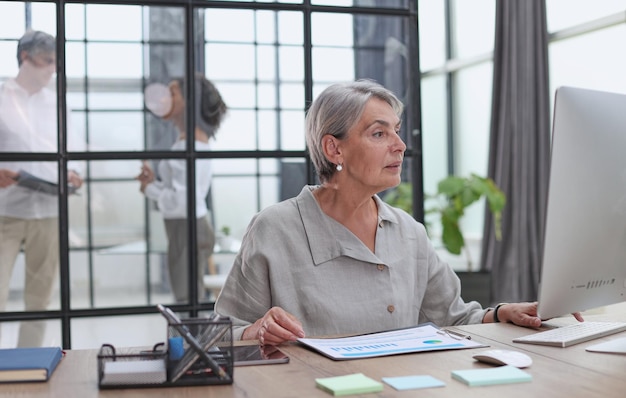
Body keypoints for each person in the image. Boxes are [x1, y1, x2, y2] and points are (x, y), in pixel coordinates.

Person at [215, 79, 584, 345]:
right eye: (379, 134)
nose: (401, 145)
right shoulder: (274, 228)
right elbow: (220, 335)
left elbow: (455, 318)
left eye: (397, 131)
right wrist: (256, 330)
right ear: (334, 149)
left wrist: (503, 312)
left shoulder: (409, 232)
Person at [0, 30, 83, 347]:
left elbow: (71, 147)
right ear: (25, 57)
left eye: (56, 62)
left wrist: (75, 171)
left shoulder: (58, 103)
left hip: (48, 210)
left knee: (40, 295)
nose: (53, 69)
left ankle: (27, 360)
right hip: (6, 208)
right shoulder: (1, 98)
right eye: (48, 61)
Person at [137, 75, 227, 303]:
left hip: (187, 225)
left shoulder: (192, 145)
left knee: (187, 298)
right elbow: (180, 190)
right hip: (186, 225)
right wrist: (153, 184)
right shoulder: (187, 141)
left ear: (189, 101)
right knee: (187, 295)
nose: (165, 97)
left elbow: (182, 200)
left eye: (173, 92)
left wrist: (150, 189)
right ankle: (190, 339)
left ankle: (191, 340)